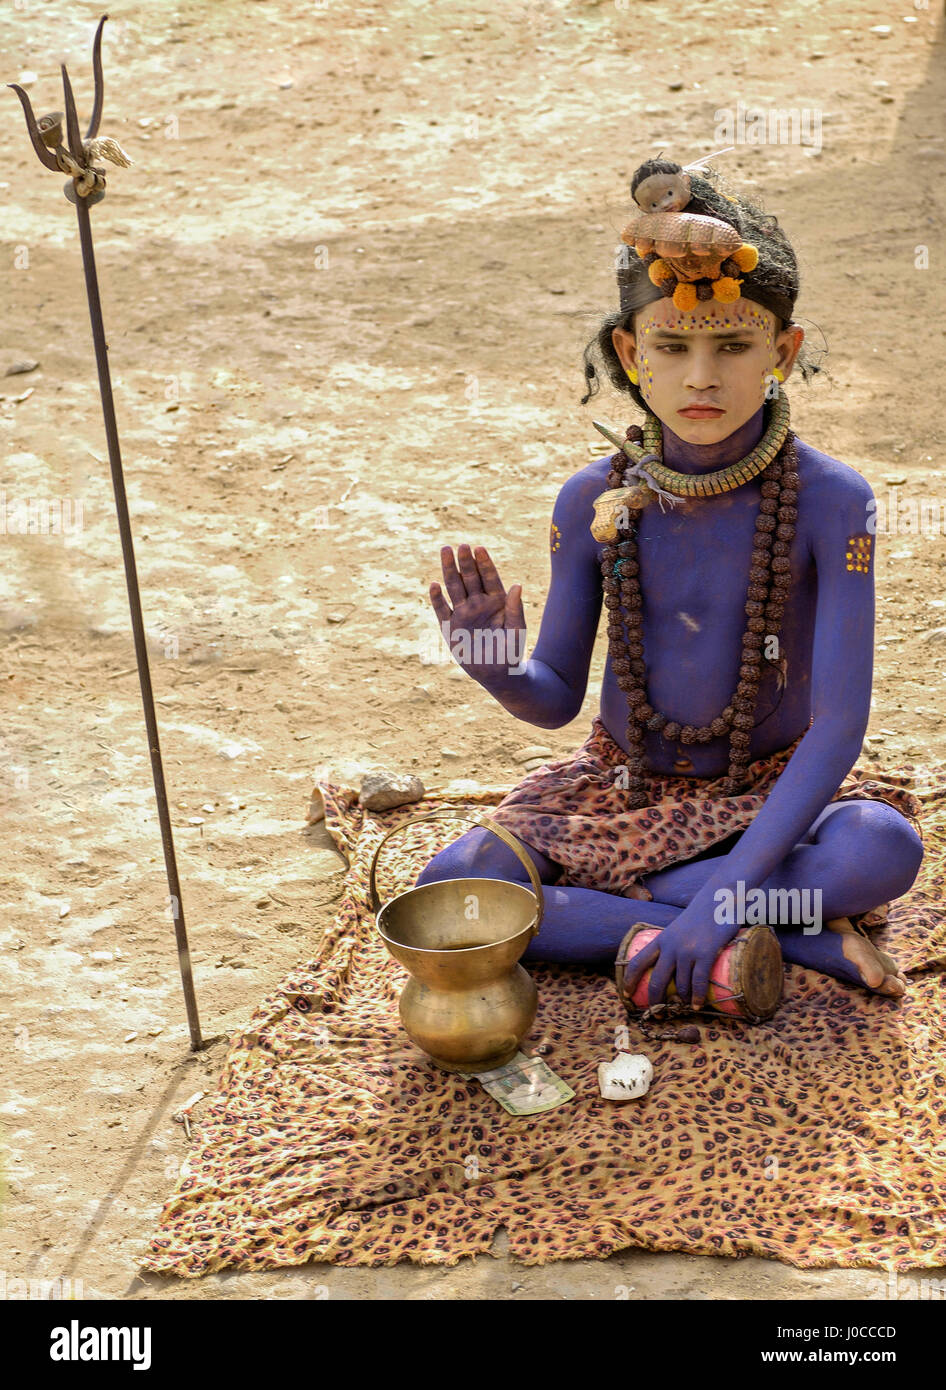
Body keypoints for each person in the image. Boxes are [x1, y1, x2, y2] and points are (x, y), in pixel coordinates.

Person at [417, 158, 924, 1014]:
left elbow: (837, 727)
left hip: (765, 800)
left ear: (783, 352)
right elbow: (554, 700)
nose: (701, 378)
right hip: (622, 792)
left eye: (733, 346)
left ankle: (676, 914)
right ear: (629, 350)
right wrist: (499, 670)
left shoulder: (834, 502)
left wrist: (725, 897)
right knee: (455, 890)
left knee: (879, 848)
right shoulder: (591, 499)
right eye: (673, 345)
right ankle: (782, 934)